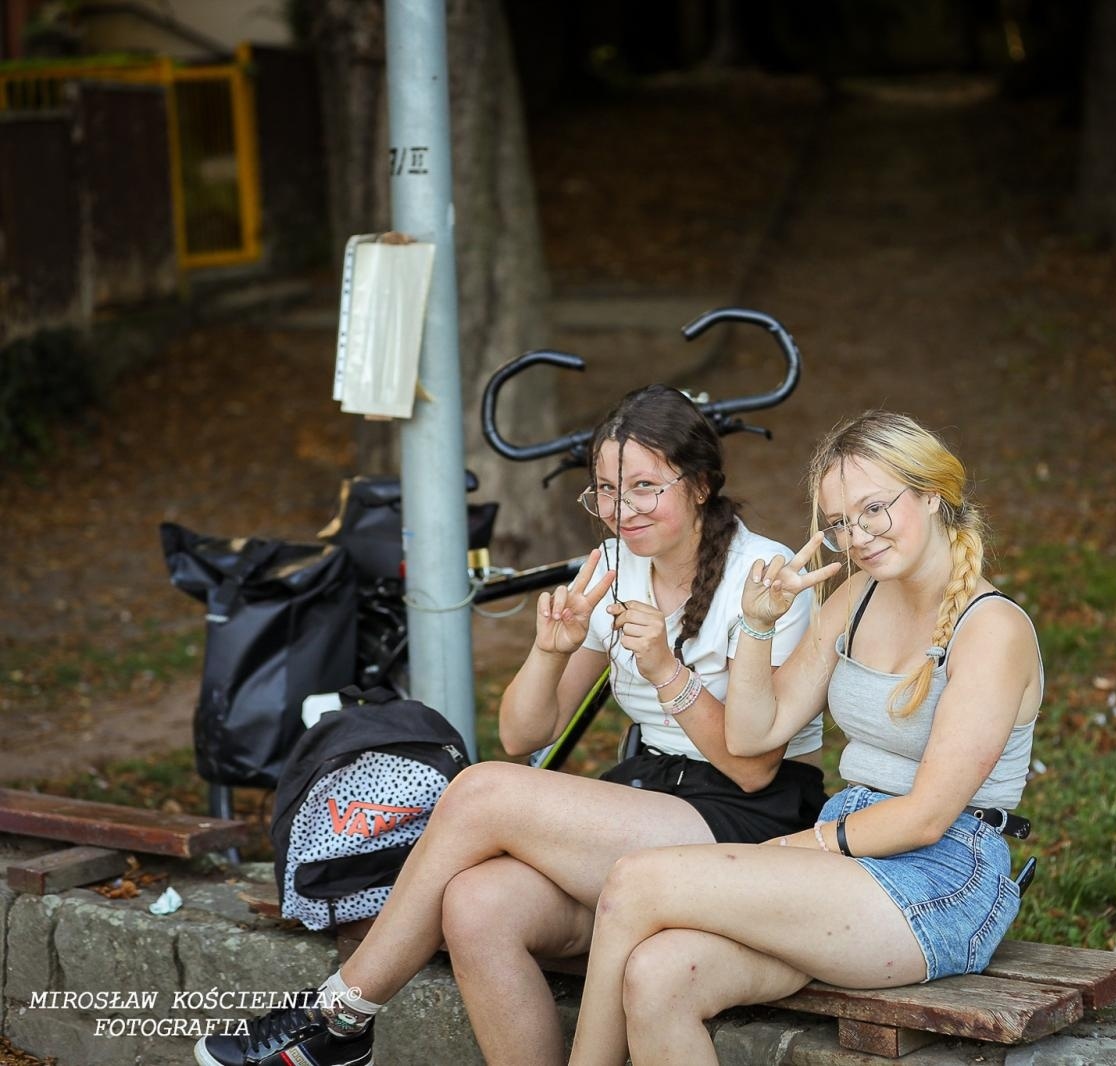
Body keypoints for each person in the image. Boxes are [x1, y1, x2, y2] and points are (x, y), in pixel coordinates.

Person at [195, 385, 826, 1066]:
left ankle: (339, 1018)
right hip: (653, 800)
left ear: (699, 484)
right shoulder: (617, 568)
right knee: (476, 903)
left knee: (481, 790)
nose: (623, 510)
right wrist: (550, 652)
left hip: (751, 822)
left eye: (646, 487)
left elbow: (751, 768)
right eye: (607, 491)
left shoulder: (766, 579)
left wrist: (666, 670)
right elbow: (524, 736)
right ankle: (346, 1028)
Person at [566, 410, 1043, 1066]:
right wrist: (758, 626)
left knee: (635, 883)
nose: (858, 537)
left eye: (874, 509)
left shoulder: (992, 628)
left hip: (943, 875)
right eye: (840, 523)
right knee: (659, 975)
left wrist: (794, 848)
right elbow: (753, 733)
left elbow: (928, 817)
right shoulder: (858, 597)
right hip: (847, 852)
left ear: (932, 494)